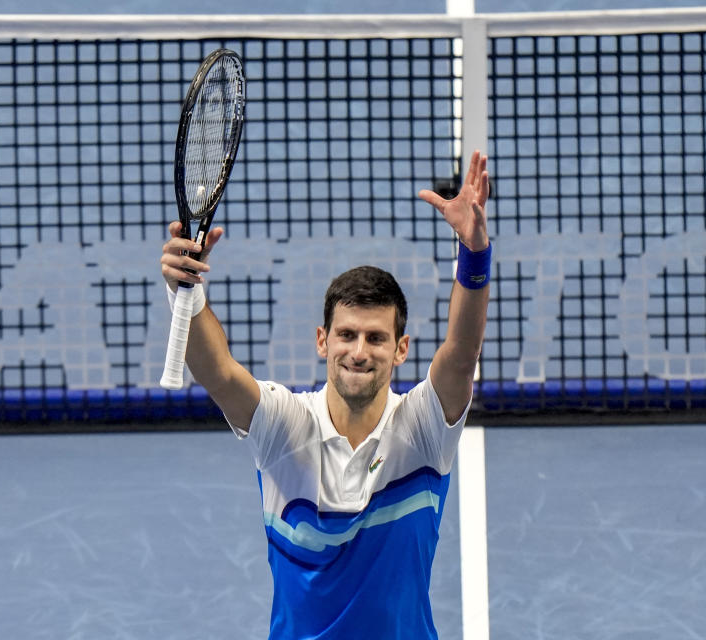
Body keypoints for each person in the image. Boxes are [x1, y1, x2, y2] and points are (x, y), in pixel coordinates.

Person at [159, 150, 491, 639]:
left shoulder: (422, 430)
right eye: (347, 335)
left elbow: (461, 353)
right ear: (323, 341)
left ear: (400, 349)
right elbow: (220, 374)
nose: (359, 351)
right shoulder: (285, 425)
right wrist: (186, 292)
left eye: (376, 338)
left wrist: (475, 256)